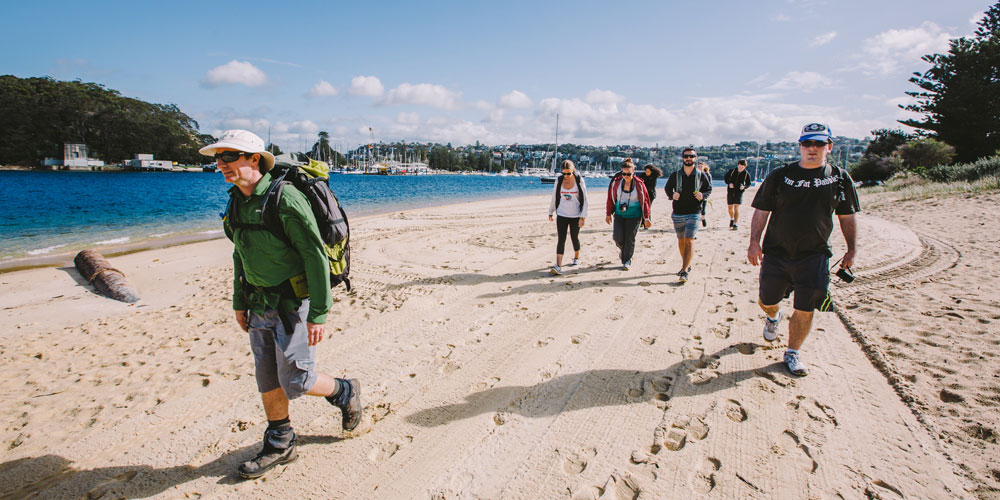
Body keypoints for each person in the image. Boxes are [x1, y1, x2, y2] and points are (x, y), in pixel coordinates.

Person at [202, 130, 362, 479]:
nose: (221, 164)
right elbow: (239, 251)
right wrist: (238, 300)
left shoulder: (285, 198)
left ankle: (344, 389)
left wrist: (319, 312)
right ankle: (280, 441)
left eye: (230, 156)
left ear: (254, 159)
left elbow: (314, 254)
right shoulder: (237, 201)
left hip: (293, 303)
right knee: (267, 374)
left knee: (297, 380)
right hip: (257, 302)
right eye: (219, 157)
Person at [747, 123, 859, 377]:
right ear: (799, 146)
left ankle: (792, 352)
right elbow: (761, 210)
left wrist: (852, 250)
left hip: (815, 255)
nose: (812, 149)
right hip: (776, 252)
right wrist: (754, 242)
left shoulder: (839, 177)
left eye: (819, 144)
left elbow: (847, 217)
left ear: (829, 147)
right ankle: (774, 316)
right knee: (767, 301)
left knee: (806, 307)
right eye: (807, 144)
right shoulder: (780, 176)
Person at [665, 148, 713, 283]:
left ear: (695, 158)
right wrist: (671, 195)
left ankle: (684, 270)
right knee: (681, 240)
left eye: (691, 156)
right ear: (682, 158)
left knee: (689, 239)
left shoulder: (701, 175)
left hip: (694, 211)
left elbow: (708, 189)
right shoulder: (675, 175)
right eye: (686, 156)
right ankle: (687, 263)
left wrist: (703, 195)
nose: (688, 158)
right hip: (678, 211)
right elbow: (668, 188)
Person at [605, 158, 651, 270]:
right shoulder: (616, 182)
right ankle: (624, 251)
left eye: (629, 174)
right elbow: (610, 199)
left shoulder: (639, 184)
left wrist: (646, 217)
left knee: (630, 238)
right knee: (617, 238)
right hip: (619, 215)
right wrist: (608, 213)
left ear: (633, 172)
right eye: (624, 174)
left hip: (635, 216)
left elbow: (645, 201)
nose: (626, 176)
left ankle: (626, 259)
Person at [548, 160, 588, 275]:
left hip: (576, 215)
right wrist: (551, 211)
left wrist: (583, 217)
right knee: (561, 239)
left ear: (573, 170)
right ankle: (558, 266)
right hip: (561, 214)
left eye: (568, 173)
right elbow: (554, 196)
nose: (566, 176)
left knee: (574, 237)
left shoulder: (579, 180)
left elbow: (585, 199)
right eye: (564, 173)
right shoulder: (559, 180)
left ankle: (577, 257)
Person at [725, 159, 752, 230]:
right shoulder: (732, 171)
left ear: (745, 167)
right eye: (739, 166)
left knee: (736, 208)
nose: (740, 168)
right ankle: (732, 219)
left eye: (742, 167)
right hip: (730, 192)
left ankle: (735, 224)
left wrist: (744, 187)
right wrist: (729, 183)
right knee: (730, 208)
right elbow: (726, 179)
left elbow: (749, 183)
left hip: (739, 193)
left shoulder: (746, 174)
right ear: (738, 165)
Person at [698, 163, 712, 227]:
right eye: (699, 166)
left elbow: (709, 186)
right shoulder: (696, 174)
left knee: (703, 209)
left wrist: (705, 194)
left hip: (704, 194)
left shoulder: (707, 175)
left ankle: (703, 218)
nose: (700, 167)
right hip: (696, 194)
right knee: (697, 209)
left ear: (704, 167)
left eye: (701, 166)